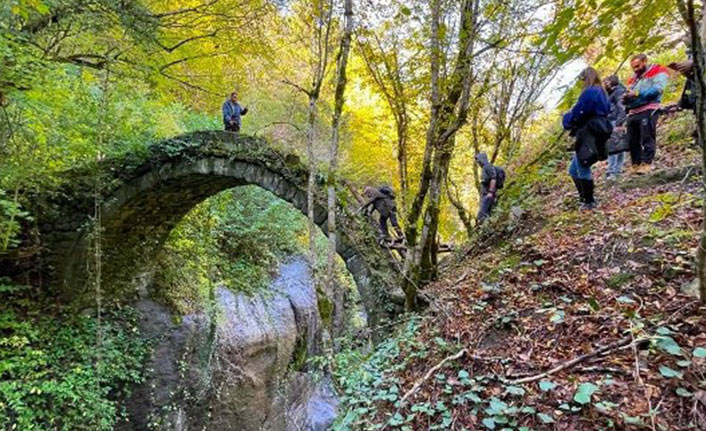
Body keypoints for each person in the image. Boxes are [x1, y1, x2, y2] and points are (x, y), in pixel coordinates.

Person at [562, 67, 612, 211]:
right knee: (573, 169)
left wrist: (567, 119)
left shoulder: (591, 92)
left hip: (589, 131)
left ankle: (589, 202)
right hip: (598, 128)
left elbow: (579, 112)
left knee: (583, 165)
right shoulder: (602, 92)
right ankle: (583, 198)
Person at [623, 54, 669, 174]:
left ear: (644, 61)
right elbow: (630, 92)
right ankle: (635, 164)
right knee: (632, 140)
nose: (635, 69)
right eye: (633, 67)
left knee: (647, 136)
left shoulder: (658, 70)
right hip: (633, 110)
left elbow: (658, 89)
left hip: (649, 108)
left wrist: (637, 93)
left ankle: (646, 163)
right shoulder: (633, 78)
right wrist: (626, 98)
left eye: (638, 66)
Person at [603, 75, 628, 180]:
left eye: (605, 82)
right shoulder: (611, 93)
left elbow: (622, 107)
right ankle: (615, 170)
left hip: (615, 121)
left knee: (613, 146)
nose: (604, 85)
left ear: (611, 82)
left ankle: (613, 171)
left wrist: (619, 123)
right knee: (618, 146)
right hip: (612, 121)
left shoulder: (619, 91)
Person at [475, 152, 498, 223]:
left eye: (478, 160)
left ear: (482, 159)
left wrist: (490, 192)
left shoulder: (488, 166)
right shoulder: (484, 168)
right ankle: (489, 230)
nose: (478, 162)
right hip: (486, 194)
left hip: (488, 194)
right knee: (486, 215)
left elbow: (493, 178)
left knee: (481, 215)